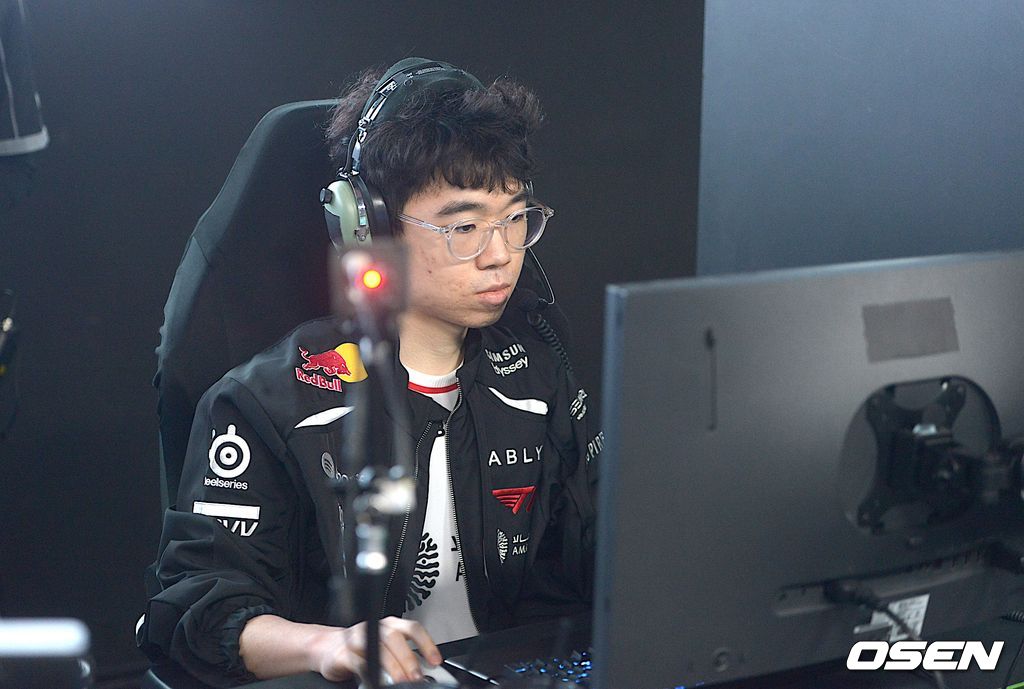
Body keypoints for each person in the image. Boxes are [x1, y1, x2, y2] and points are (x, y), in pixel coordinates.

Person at [140, 58, 600, 687]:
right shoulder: (264, 403)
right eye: (464, 226)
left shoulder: (541, 377)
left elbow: (592, 560)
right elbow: (197, 609)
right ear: (369, 226)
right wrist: (328, 647)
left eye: (516, 218)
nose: (499, 254)